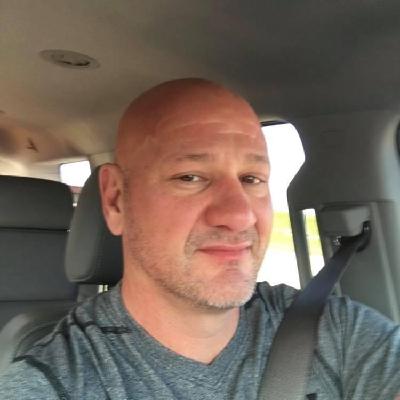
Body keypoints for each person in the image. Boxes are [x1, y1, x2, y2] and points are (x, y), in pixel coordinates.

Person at [0, 78, 399, 399]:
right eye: (189, 177)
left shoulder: (334, 328)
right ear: (116, 200)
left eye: (251, 179)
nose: (240, 214)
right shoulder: (52, 382)